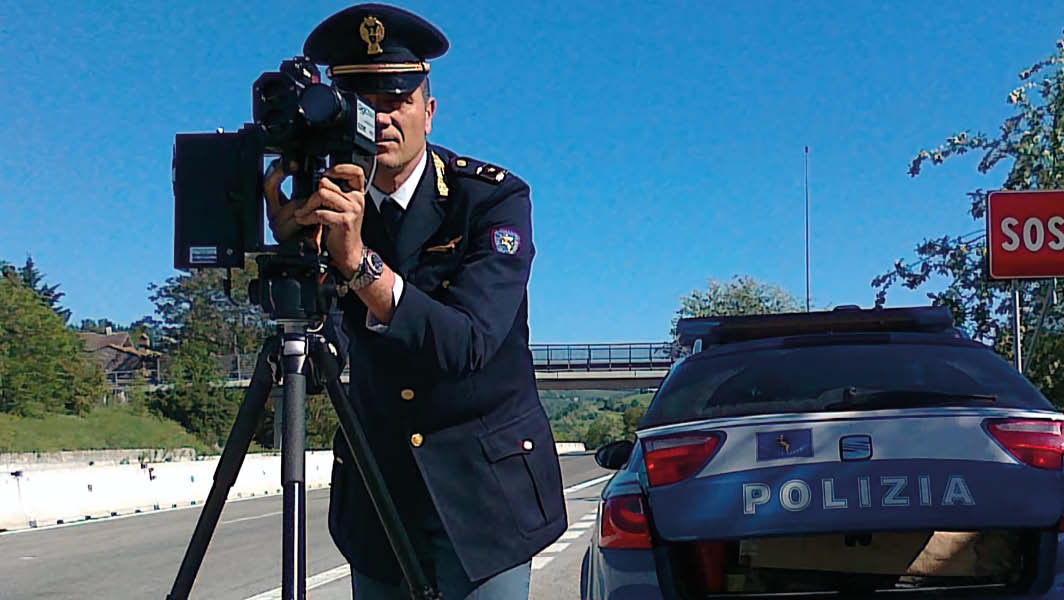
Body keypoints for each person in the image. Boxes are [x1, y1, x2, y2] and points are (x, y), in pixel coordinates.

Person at [264, 4, 567, 598]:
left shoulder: (488, 200)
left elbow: (468, 342)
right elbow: (322, 352)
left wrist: (358, 266)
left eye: (397, 98)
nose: (381, 118)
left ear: (428, 111)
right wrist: (298, 262)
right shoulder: (330, 203)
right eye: (361, 101)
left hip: (484, 499)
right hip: (379, 494)